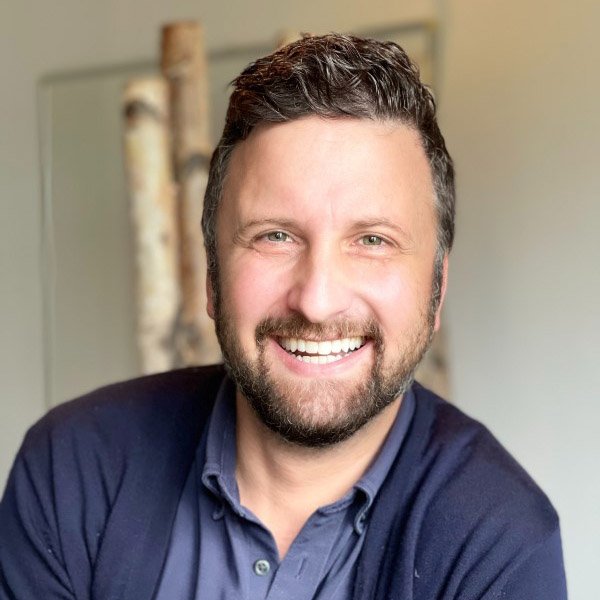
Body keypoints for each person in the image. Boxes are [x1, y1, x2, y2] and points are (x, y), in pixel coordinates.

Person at [0, 34, 567, 599]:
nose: (316, 301)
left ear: (437, 289)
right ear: (212, 276)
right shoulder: (72, 472)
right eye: (275, 236)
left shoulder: (499, 546)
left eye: (372, 240)